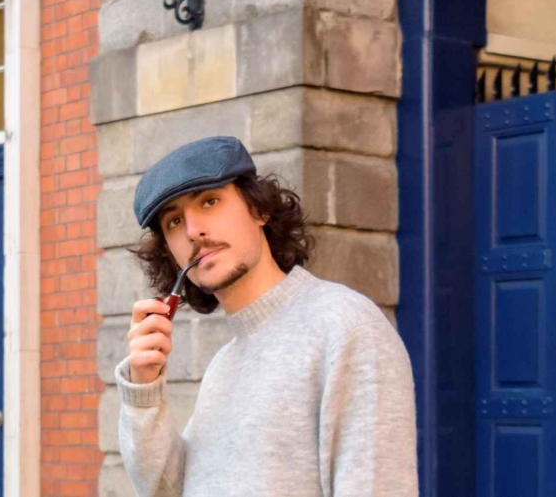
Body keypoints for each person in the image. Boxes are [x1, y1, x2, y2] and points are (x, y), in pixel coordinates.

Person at [116, 135, 417, 497]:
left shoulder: (346, 328)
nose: (193, 231)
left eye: (210, 201)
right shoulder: (224, 365)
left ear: (259, 209)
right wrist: (144, 387)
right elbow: (167, 490)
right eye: (174, 221)